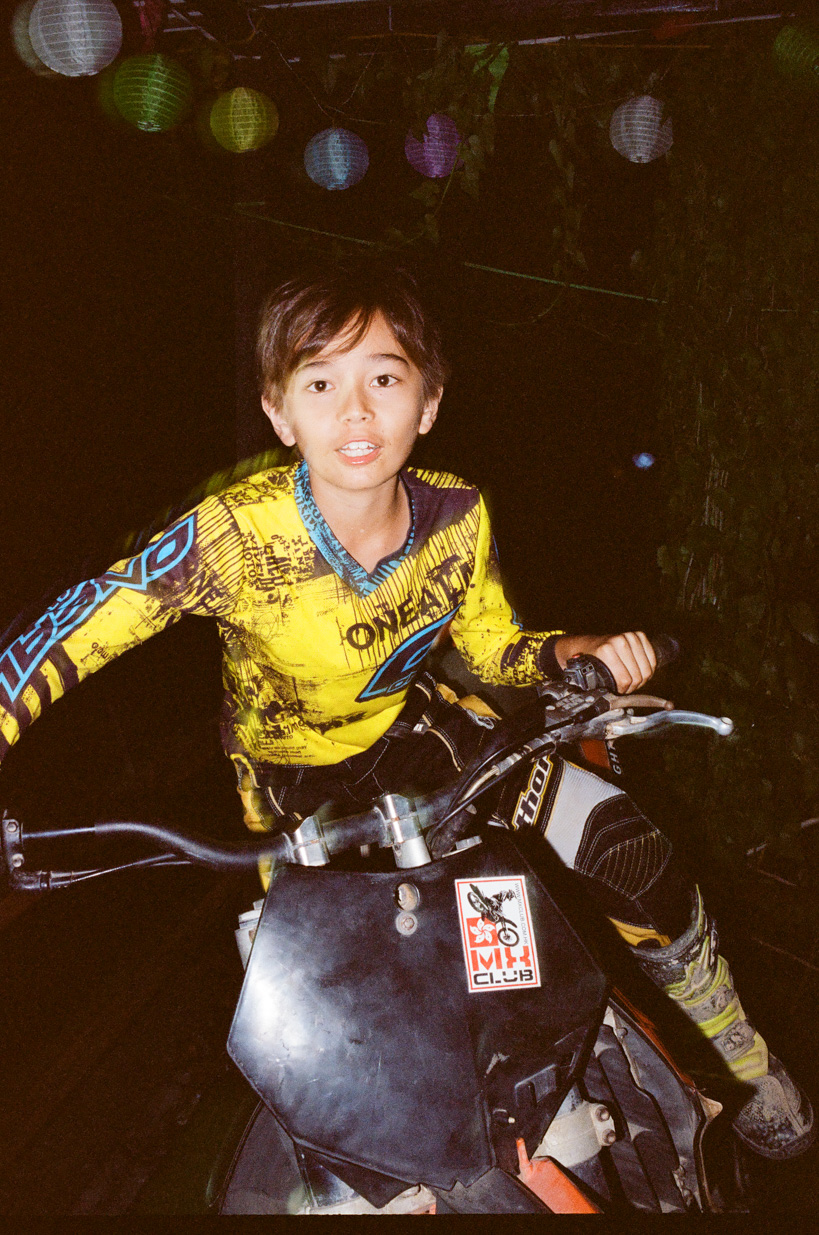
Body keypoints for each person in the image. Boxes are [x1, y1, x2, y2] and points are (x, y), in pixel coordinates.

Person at [0, 262, 811, 1161]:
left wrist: (574, 653)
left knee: (624, 848)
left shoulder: (457, 515)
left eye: (383, 378)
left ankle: (740, 1063)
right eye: (320, 384)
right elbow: (81, 624)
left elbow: (497, 648)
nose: (355, 412)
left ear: (427, 402)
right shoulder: (233, 535)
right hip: (290, 791)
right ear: (279, 413)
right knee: (348, 1024)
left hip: (420, 740)